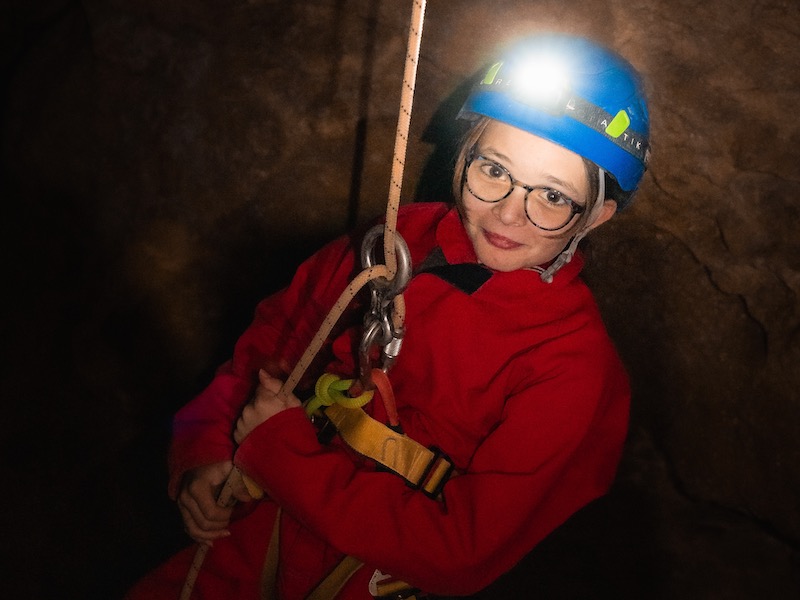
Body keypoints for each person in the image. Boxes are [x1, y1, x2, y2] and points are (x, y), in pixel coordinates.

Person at [126, 32, 650, 600]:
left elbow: (463, 550)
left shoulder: (573, 366)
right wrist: (205, 448)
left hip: (374, 576)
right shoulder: (400, 241)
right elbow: (280, 336)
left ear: (596, 215)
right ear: (464, 153)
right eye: (493, 171)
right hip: (254, 531)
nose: (508, 213)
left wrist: (280, 454)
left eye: (552, 197)